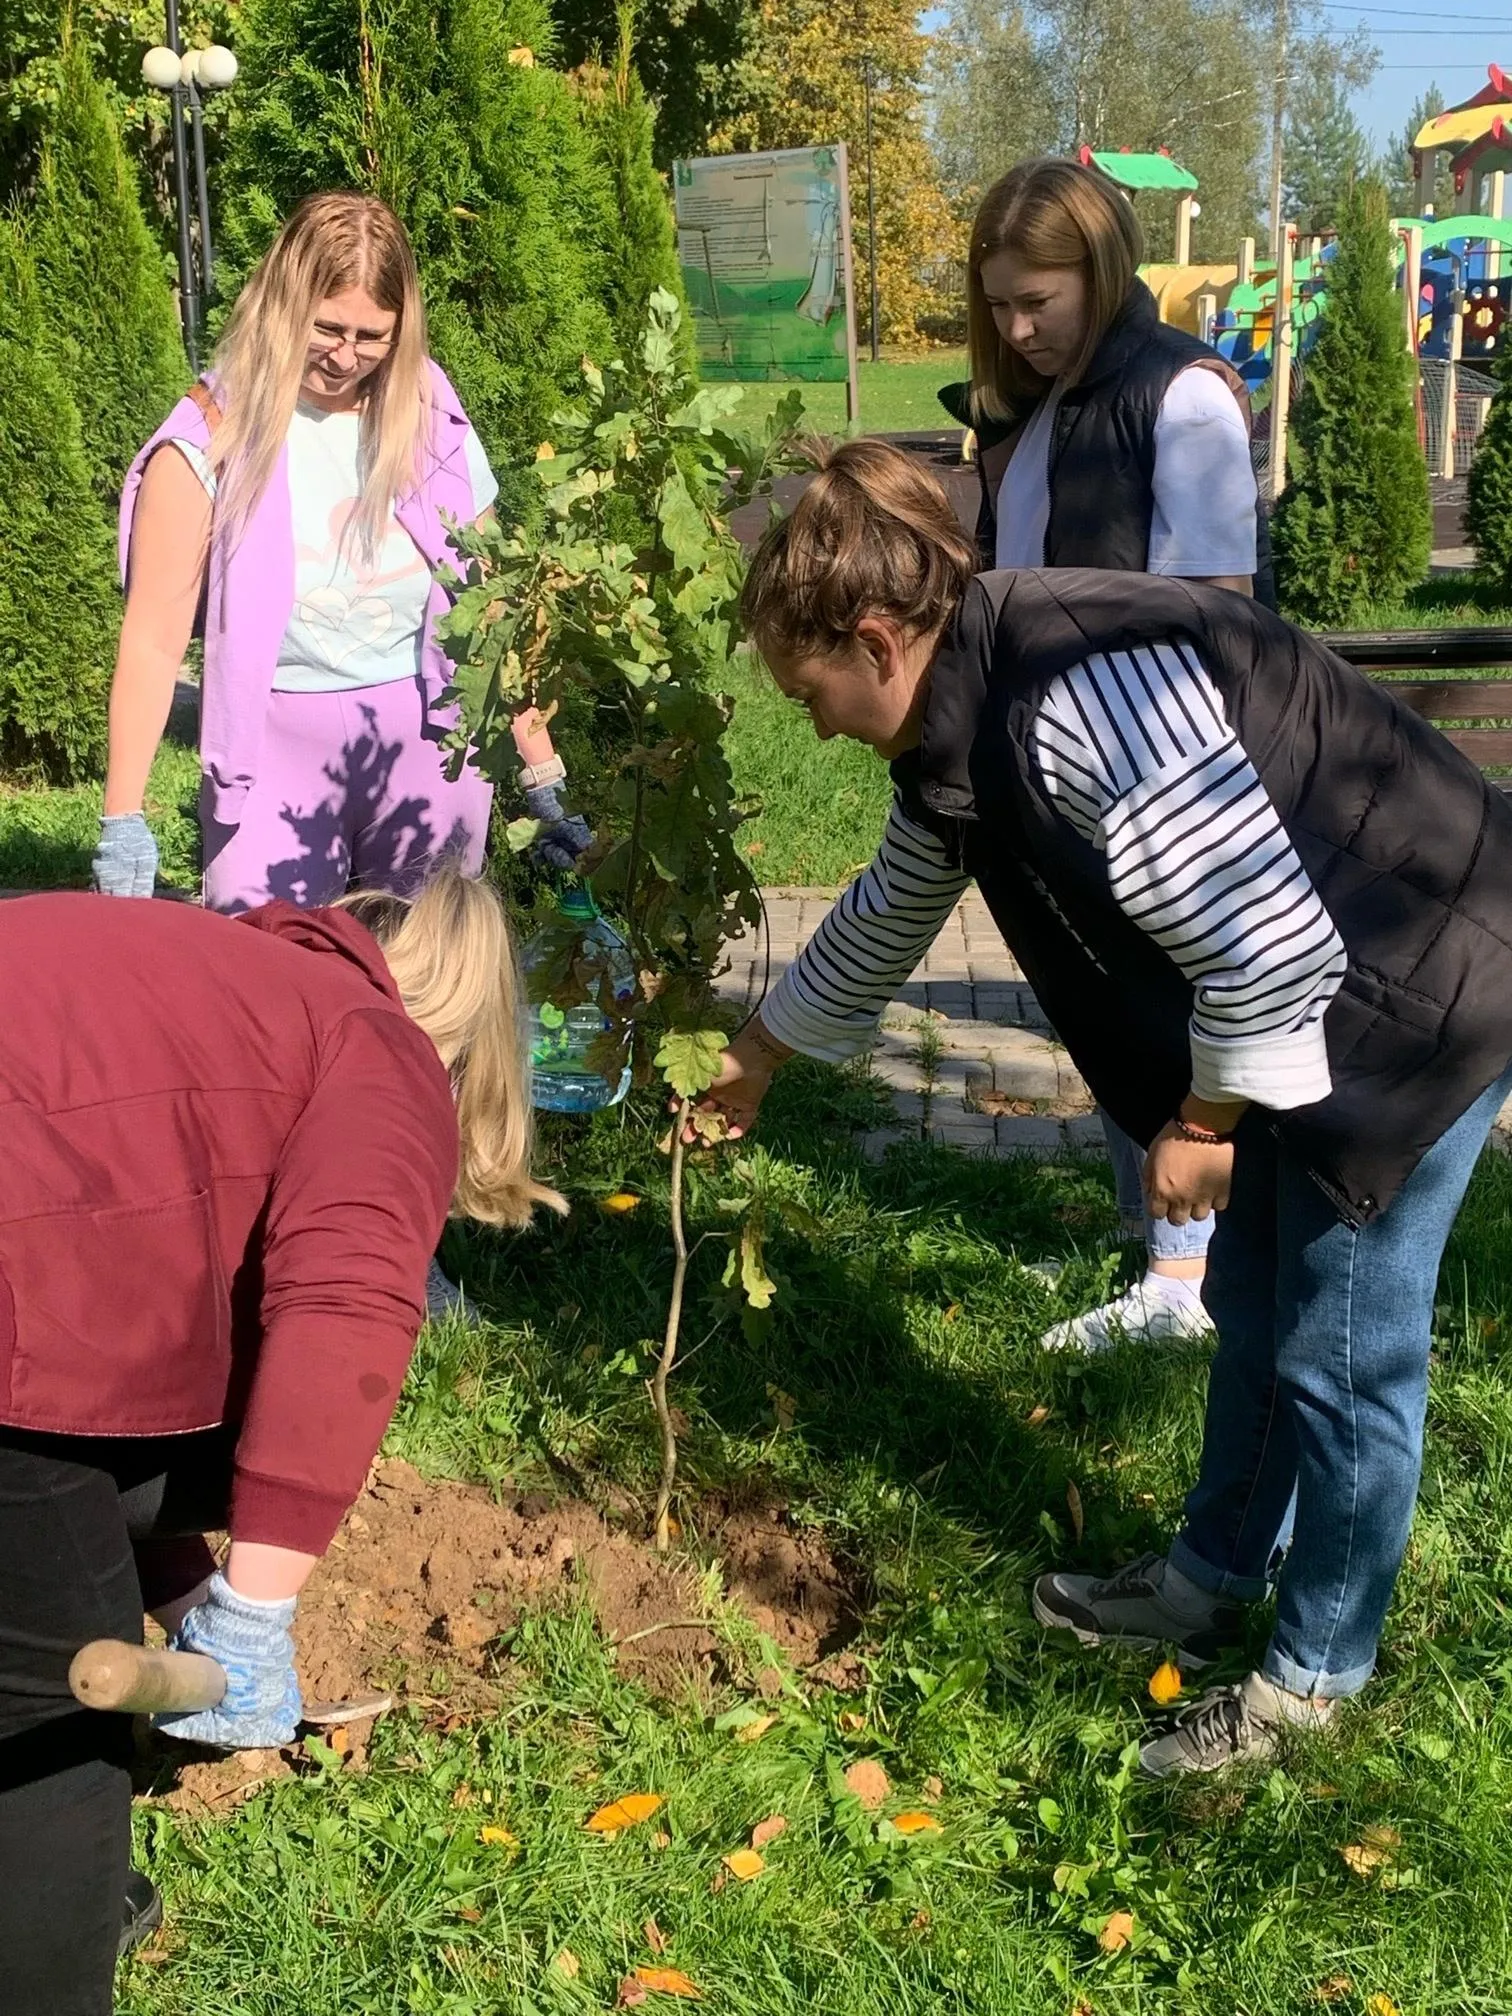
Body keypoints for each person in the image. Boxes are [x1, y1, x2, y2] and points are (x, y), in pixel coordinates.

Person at [703, 438, 1512, 1778]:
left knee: (1346, 1350)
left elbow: (1266, 943)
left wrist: (1201, 1122)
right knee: (1257, 1307)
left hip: (1420, 979)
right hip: (1331, 993)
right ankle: (1208, 1578)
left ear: (874, 637)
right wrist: (761, 1055)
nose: (816, 723)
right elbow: (891, 907)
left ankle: (1316, 1683)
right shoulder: (962, 707)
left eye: (810, 693)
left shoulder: (1075, 696)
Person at [0, 868, 563, 2013]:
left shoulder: (222, 991)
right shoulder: (380, 1049)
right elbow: (346, 1308)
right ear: (464, 1053)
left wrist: (181, 1579)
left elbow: (112, 1350)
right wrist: (256, 1615)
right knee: (48, 1722)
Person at [99, 190, 585, 1310]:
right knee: (263, 998)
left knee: (432, 1006)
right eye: (329, 330)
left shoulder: (426, 414)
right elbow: (152, 636)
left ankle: (402, 1244)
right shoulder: (207, 437)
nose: (348, 358)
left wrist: (540, 766)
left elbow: (495, 604)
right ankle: (251, 1250)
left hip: (426, 740)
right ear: (282, 303)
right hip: (275, 746)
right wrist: (123, 821)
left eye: (373, 337)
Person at [930, 156, 1271, 1353]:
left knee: (1170, 1009)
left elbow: (1220, 612)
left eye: (1042, 301)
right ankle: (1177, 1260)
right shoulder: (1047, 403)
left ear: (1104, 269)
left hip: (1158, 770)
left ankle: (1187, 1284)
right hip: (1066, 768)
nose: (1018, 329)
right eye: (1001, 305)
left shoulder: (1180, 399)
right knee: (1126, 1010)